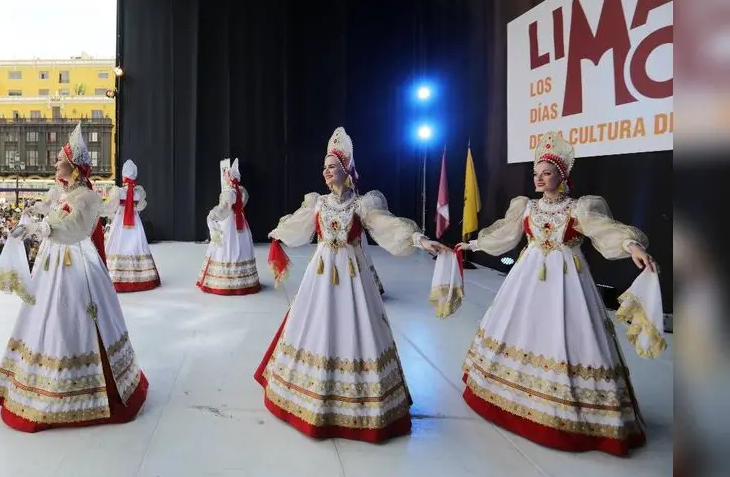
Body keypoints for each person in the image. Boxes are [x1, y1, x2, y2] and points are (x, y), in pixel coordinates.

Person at [455, 131, 658, 456]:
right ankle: (509, 399)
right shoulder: (526, 208)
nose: (539, 178)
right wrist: (475, 244)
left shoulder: (580, 210)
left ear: (561, 176)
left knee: (568, 336)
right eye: (536, 174)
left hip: (567, 284)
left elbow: (606, 231)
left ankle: (570, 415)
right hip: (527, 279)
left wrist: (632, 246)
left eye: (546, 173)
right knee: (521, 330)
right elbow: (505, 236)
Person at [257, 127, 449, 442]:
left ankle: (359, 405)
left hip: (351, 279)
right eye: (324, 167)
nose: (325, 172)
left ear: (346, 169)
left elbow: (386, 226)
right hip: (320, 277)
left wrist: (419, 239)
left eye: (331, 166)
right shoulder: (317, 203)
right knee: (315, 328)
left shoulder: (362, 205)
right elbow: (299, 225)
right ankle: (309, 394)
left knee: (355, 330)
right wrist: (279, 232)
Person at [0, 123, 149, 432]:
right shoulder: (62, 191)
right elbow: (51, 211)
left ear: (73, 167)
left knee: (73, 314)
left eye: (60, 161)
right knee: (43, 316)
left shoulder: (87, 198)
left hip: (76, 261)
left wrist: (37, 228)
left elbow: (73, 230)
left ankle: (83, 388)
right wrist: (34, 213)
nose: (55, 164)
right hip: (52, 262)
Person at [196, 158, 261, 295]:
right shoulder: (242, 191)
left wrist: (212, 215)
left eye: (226, 175)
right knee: (240, 246)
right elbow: (242, 204)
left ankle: (227, 281)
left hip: (229, 221)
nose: (224, 178)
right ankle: (244, 280)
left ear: (230, 178)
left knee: (226, 248)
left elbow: (223, 209)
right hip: (240, 221)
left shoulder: (229, 193)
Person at [101, 159, 161, 292]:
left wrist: (97, 209)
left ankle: (115, 276)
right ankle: (140, 276)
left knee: (117, 245)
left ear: (124, 175)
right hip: (135, 222)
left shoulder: (118, 191)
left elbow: (110, 207)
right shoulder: (138, 193)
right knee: (137, 245)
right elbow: (140, 207)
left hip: (120, 221)